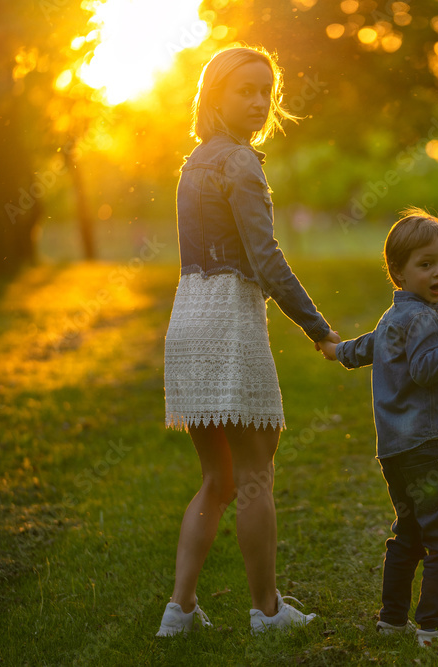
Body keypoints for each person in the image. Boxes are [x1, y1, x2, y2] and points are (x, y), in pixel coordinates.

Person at [158, 46, 339, 637]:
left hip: (188, 321)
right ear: (215, 95)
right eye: (246, 91)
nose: (259, 102)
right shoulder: (239, 163)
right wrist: (321, 331)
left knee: (220, 478)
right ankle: (267, 612)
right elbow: (266, 261)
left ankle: (179, 610)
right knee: (256, 475)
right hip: (229, 324)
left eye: (266, 91)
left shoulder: (193, 163)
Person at [318, 209, 438, 647]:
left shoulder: (393, 317)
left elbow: (363, 348)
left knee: (408, 533)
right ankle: (433, 626)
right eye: (426, 265)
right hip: (428, 447)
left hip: (395, 452)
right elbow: (425, 369)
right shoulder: (424, 317)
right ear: (398, 272)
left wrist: (335, 350)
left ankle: (392, 619)